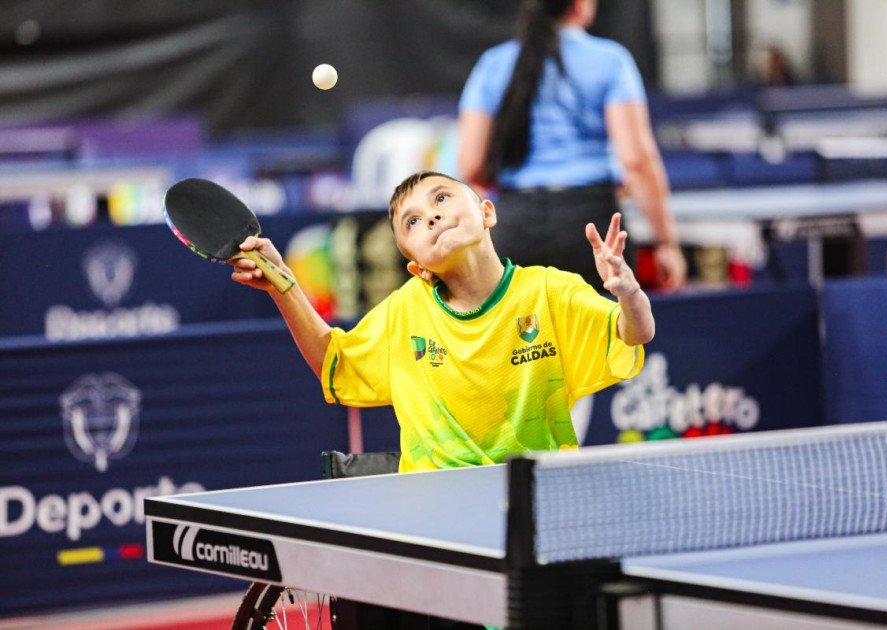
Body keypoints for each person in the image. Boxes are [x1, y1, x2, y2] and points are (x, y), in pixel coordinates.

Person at [230, 171, 654, 473]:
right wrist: (284, 288)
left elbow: (634, 333)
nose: (430, 216)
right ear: (414, 265)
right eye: (412, 222)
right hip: (433, 509)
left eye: (441, 199)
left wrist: (628, 292)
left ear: (487, 212)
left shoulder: (549, 291)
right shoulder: (406, 311)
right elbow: (333, 362)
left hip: (536, 499)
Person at [457, 0, 686, 291]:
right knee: (604, 334)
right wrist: (666, 242)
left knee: (523, 336)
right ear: (580, 5)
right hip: (593, 228)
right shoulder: (611, 60)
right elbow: (637, 161)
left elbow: (470, 165)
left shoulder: (492, 64)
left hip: (513, 225)